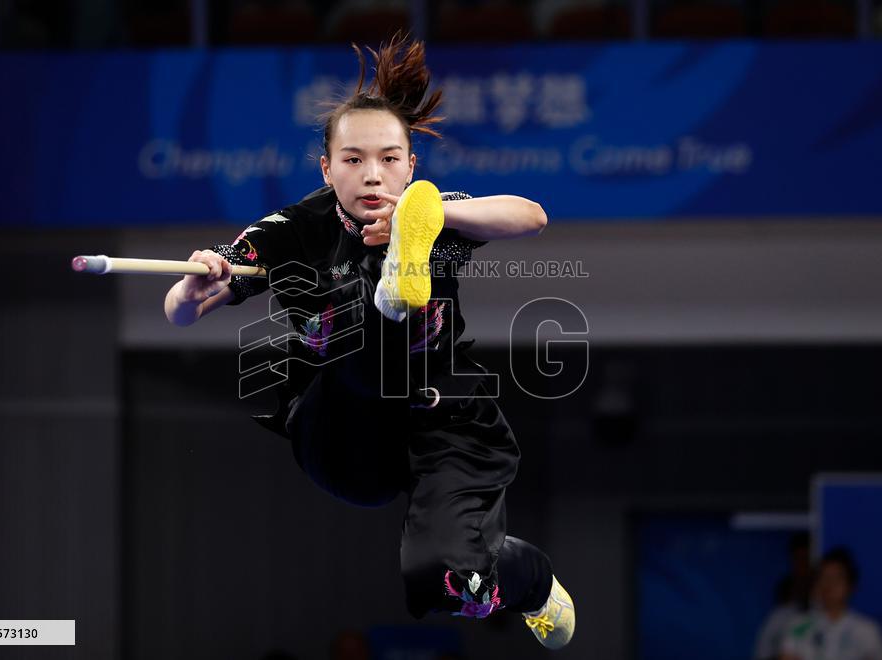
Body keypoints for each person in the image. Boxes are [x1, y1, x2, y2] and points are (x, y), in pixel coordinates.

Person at [163, 34, 574, 650]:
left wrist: (438, 214)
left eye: (388, 159)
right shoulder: (292, 231)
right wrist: (195, 286)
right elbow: (180, 312)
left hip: (438, 417)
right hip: (343, 430)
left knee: (443, 582)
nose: (372, 175)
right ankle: (386, 300)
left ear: (412, 166)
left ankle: (530, 579)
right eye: (353, 160)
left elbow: (532, 217)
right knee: (357, 352)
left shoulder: (430, 213)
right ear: (326, 169)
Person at [779, 547, 882, 660]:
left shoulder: (866, 631)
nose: (828, 585)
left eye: (835, 578)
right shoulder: (798, 626)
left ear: (850, 585)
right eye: (823, 578)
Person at [754, 533, 813, 660]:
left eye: (807, 560)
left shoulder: (827, 618)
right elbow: (762, 653)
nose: (803, 568)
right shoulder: (779, 617)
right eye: (798, 561)